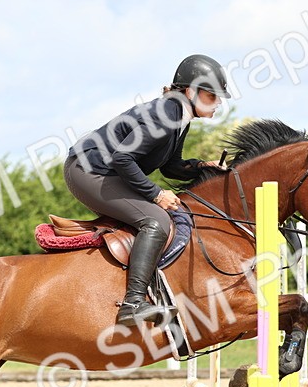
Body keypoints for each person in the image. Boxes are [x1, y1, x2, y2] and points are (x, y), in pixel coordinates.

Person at [65, 54, 231, 326]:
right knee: (156, 220)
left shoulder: (179, 116)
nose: (218, 103)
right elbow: (123, 159)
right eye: (212, 96)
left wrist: (204, 166)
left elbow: (171, 167)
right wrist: (157, 194)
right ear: (191, 92)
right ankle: (132, 303)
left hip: (104, 170)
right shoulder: (166, 115)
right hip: (88, 171)